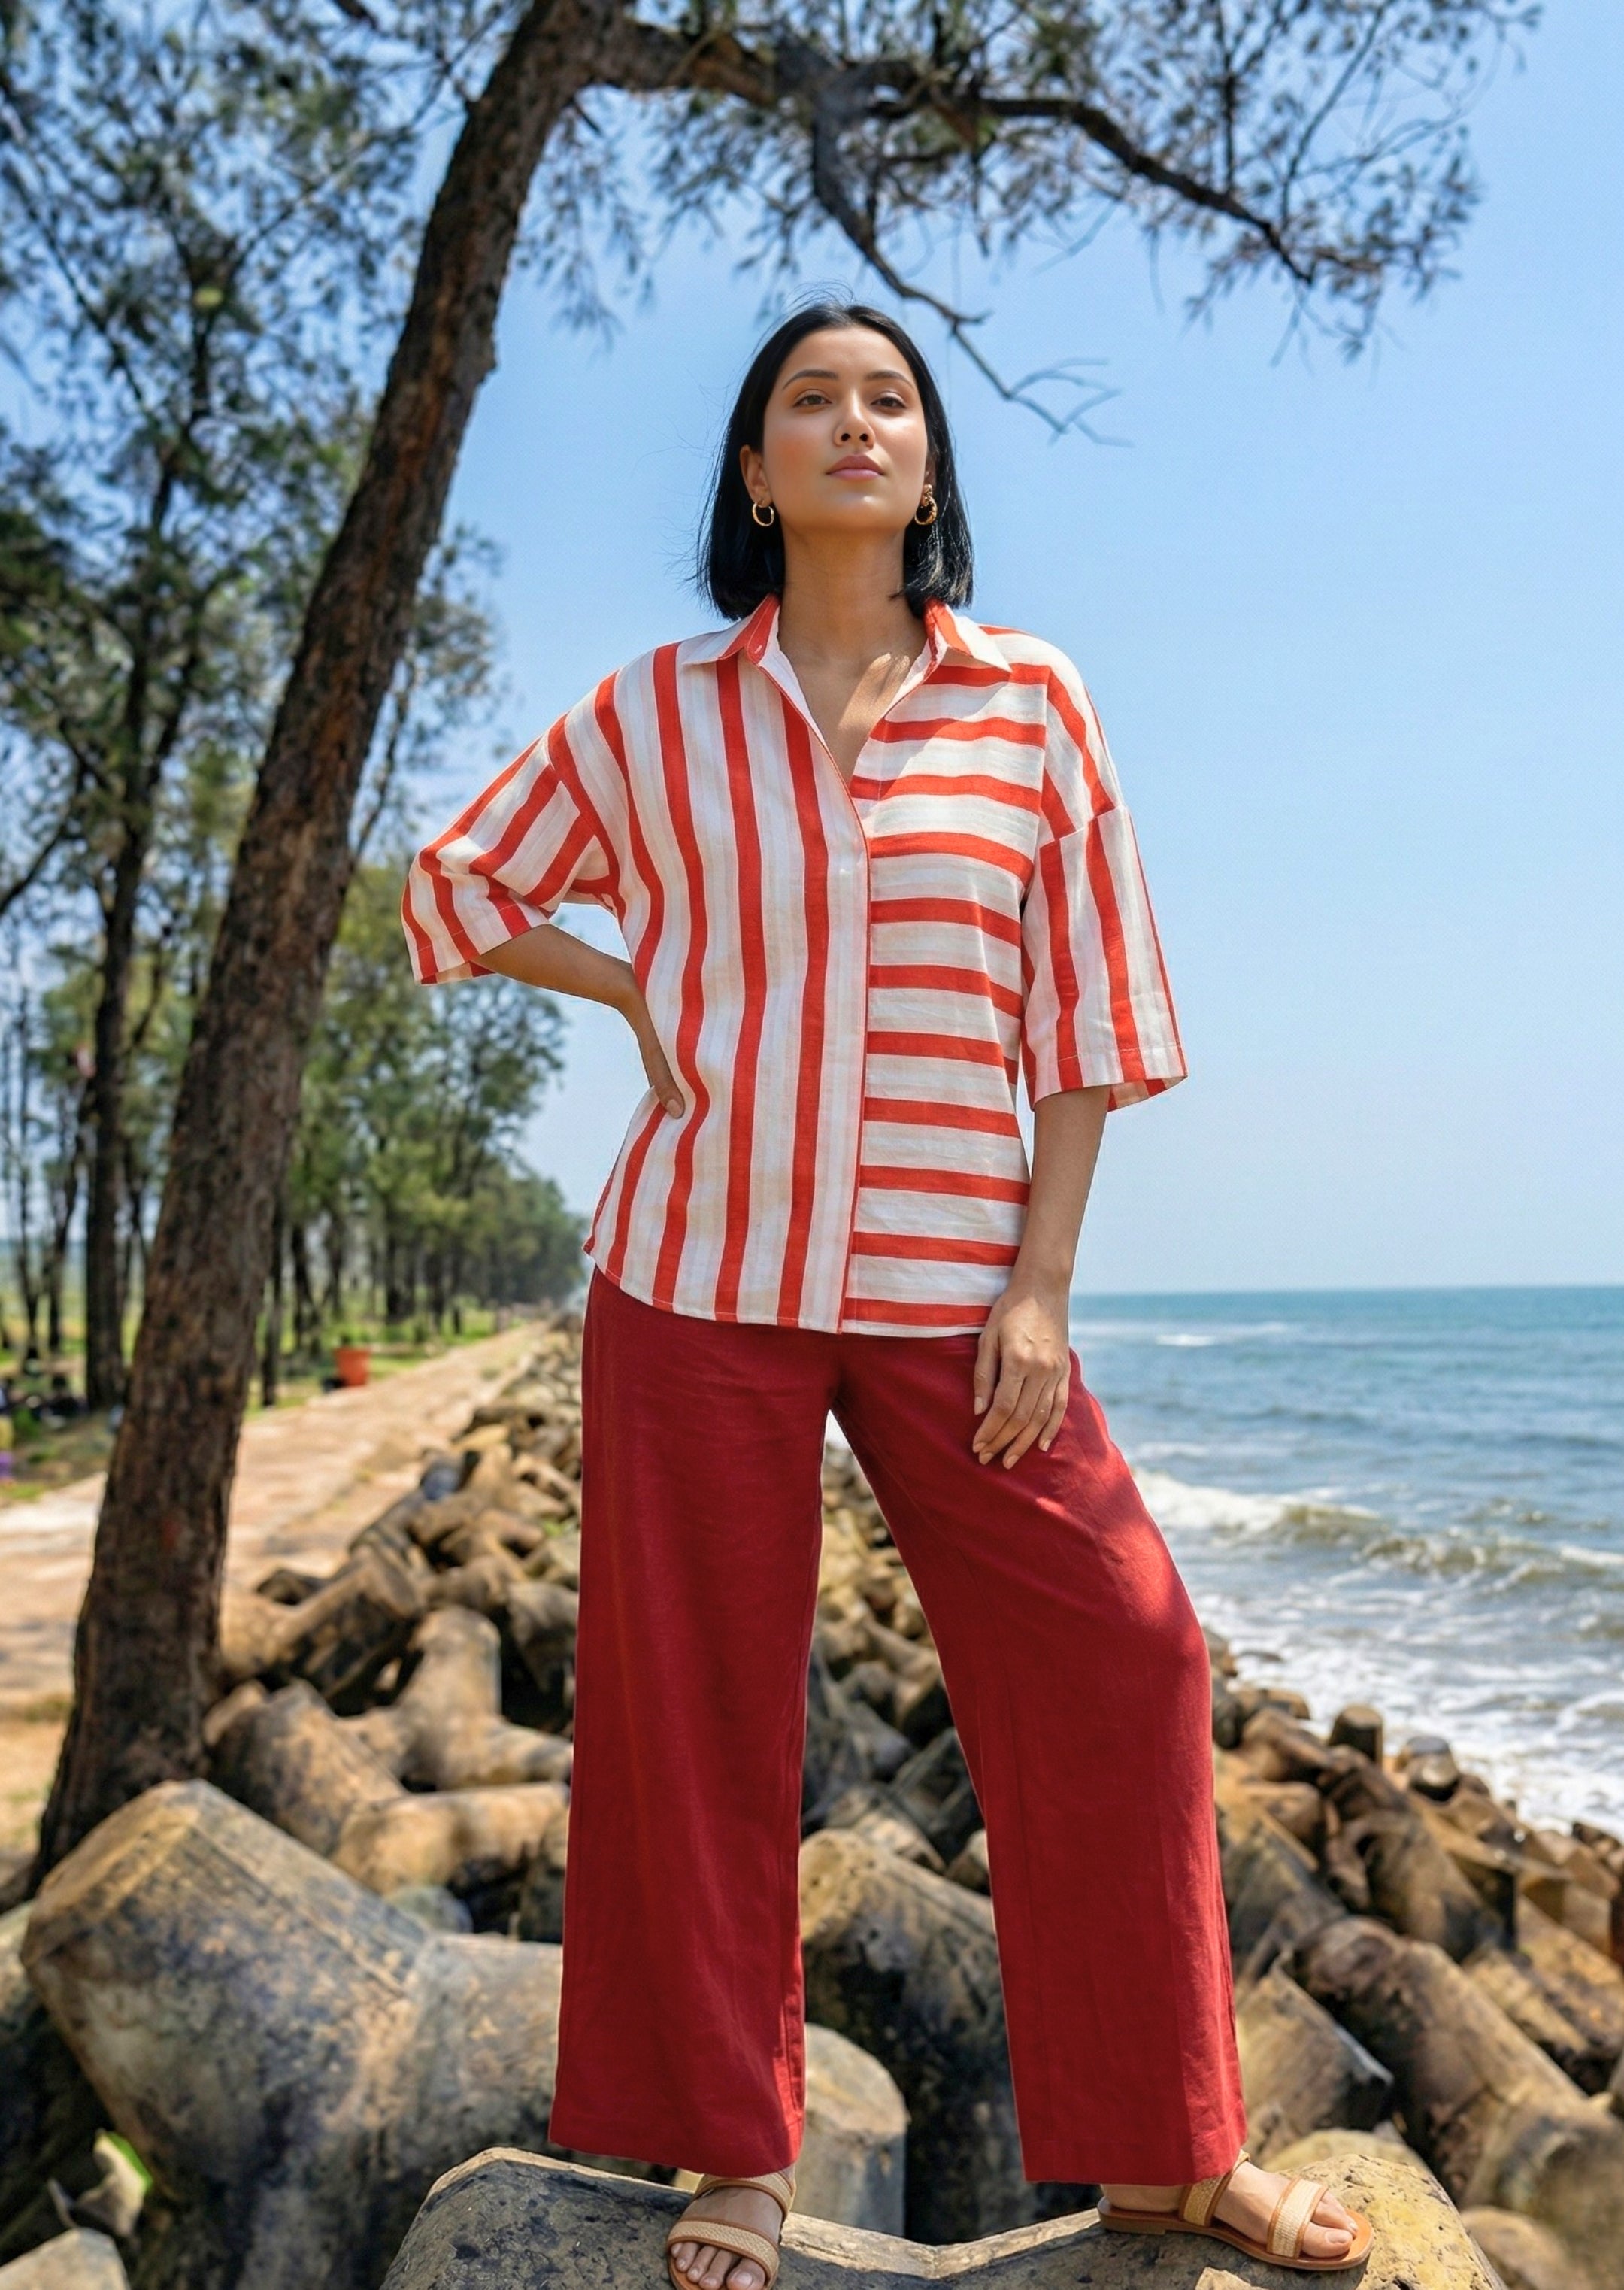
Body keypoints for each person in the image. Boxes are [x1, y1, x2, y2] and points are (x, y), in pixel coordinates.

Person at [402, 300, 1371, 2285]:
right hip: (698, 1275)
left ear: (929, 467)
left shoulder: (1030, 704)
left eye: (892, 400)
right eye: (810, 403)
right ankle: (730, 2157)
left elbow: (1089, 1011)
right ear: (754, 473)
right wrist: (631, 984)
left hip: (956, 1289)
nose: (857, 423)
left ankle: (1174, 2153)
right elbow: (458, 884)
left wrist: (1044, 1287)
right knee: (700, 1720)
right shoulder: (656, 713)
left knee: (1131, 1650)